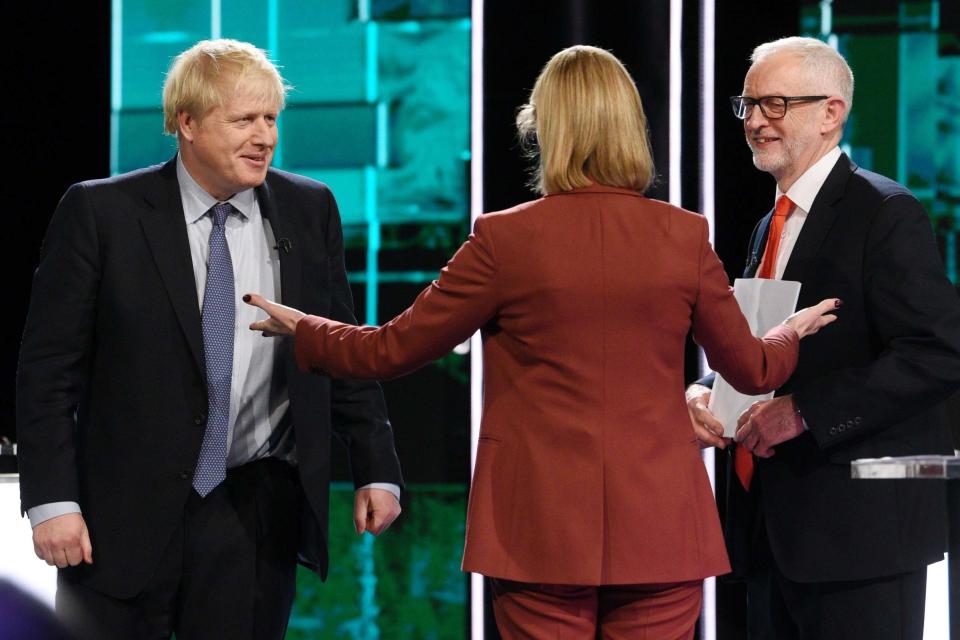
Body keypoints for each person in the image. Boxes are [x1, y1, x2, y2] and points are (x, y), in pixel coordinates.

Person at [243, 45, 838, 639]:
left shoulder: (504, 240)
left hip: (539, 530)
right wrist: (790, 331)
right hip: (659, 528)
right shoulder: (684, 236)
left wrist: (306, 328)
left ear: (547, 129)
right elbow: (755, 370)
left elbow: (388, 350)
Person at [16, 39, 403, 639]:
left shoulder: (309, 208)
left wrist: (376, 467)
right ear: (187, 123)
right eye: (244, 120)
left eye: (271, 119)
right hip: (117, 518)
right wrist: (53, 503)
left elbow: (337, 344)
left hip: (253, 512)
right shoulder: (102, 213)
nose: (264, 137)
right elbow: (47, 369)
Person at [686, 36, 960, 640]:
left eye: (776, 104)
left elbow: (939, 352)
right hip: (772, 533)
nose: (755, 121)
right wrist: (705, 392)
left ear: (831, 112)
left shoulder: (885, 212)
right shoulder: (769, 224)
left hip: (859, 538)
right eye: (749, 104)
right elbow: (766, 342)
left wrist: (805, 412)